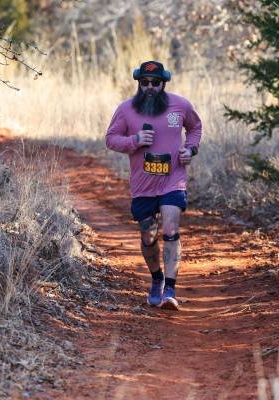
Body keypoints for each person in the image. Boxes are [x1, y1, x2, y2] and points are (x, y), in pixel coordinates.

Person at [105, 60, 202, 310]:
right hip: (143, 184)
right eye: (145, 82)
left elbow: (195, 128)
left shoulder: (180, 105)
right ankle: (157, 279)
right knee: (148, 236)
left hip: (173, 180)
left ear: (163, 83)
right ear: (139, 83)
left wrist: (190, 150)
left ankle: (170, 289)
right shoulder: (126, 109)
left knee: (170, 228)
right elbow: (111, 139)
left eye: (155, 83)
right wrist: (134, 140)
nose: (150, 87)